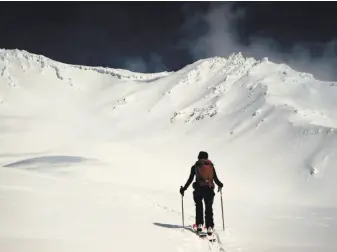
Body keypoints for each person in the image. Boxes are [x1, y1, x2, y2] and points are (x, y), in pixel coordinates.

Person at [180, 151, 223, 235]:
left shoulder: (196, 166)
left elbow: (190, 179)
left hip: (199, 189)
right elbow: (215, 179)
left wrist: (184, 189)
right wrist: (220, 185)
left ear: (199, 157)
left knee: (199, 206)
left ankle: (199, 225)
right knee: (209, 208)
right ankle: (209, 227)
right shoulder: (211, 166)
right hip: (209, 189)